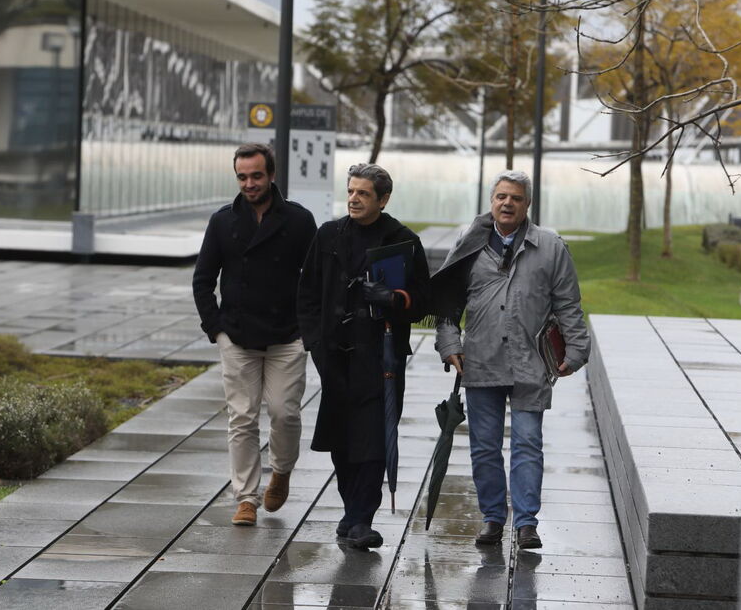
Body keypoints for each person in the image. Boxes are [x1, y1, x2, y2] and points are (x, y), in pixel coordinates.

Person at [431, 169, 590, 549]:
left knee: (527, 442)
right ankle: (491, 518)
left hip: (530, 362)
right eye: (501, 196)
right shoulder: (469, 244)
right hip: (480, 360)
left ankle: (526, 523)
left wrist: (577, 350)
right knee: (484, 446)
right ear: (492, 201)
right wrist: (449, 343)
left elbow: (569, 304)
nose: (507, 203)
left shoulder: (551, 247)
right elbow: (447, 303)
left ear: (527, 204)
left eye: (515, 198)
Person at [297, 163, 430, 550]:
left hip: (381, 358)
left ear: (383, 199)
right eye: (351, 191)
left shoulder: (403, 241)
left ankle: (360, 519)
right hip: (333, 355)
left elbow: (422, 300)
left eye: (363, 193)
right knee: (341, 439)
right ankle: (351, 512)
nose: (354, 199)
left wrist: (394, 299)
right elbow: (306, 294)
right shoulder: (329, 235)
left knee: (374, 438)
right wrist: (315, 344)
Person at [193, 143, 317, 526]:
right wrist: (216, 330)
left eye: (256, 176)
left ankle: (280, 472)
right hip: (237, 335)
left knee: (284, 412)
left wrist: (307, 330)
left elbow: (315, 280)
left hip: (287, 336)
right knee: (242, 418)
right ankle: (246, 497)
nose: (249, 183)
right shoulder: (223, 221)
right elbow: (202, 279)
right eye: (242, 177)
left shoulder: (298, 220)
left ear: (272, 175)